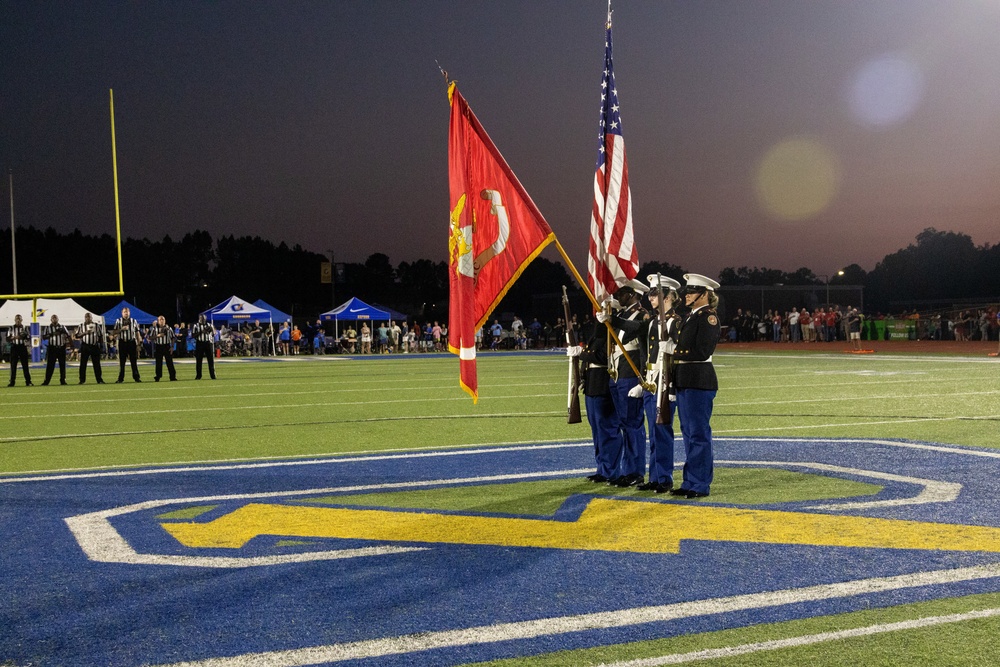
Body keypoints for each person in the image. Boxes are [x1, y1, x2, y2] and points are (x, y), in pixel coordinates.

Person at [669, 273, 722, 499]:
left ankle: (700, 484)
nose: (687, 295)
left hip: (699, 380)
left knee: (698, 434)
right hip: (686, 380)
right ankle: (690, 480)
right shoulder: (691, 317)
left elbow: (702, 351)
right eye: (687, 291)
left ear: (705, 294)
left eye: (692, 291)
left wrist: (674, 350)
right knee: (689, 433)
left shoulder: (708, 317)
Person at [596, 279, 649, 487]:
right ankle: (625, 470)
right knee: (624, 424)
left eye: (623, 293)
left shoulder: (642, 314)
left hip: (630, 373)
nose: (618, 296)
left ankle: (634, 471)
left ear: (634, 294)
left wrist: (612, 319)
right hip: (617, 373)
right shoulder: (622, 314)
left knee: (633, 424)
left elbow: (635, 329)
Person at [636, 275, 681, 494]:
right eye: (651, 294)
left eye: (655, 294)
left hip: (664, 382)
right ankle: (654, 475)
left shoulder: (675, 321)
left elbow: (679, 352)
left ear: (669, 297)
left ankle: (665, 477)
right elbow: (648, 352)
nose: (651, 298)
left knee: (662, 430)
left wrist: (671, 347)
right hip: (652, 381)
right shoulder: (653, 321)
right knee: (653, 432)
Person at [567, 314, 622, 484]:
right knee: (597, 431)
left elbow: (604, 357)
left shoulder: (613, 331)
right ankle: (602, 468)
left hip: (603, 384)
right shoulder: (598, 334)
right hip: (592, 383)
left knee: (607, 429)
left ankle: (611, 470)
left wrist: (582, 353)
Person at [113, 306, 142, 383]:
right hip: (122, 342)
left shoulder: (134, 321)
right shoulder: (118, 321)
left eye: (127, 312)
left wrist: (138, 344)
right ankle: (120, 378)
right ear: (122, 313)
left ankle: (136, 377)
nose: (126, 313)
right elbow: (114, 332)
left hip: (131, 342)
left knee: (133, 361)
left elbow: (137, 333)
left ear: (129, 312)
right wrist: (122, 329)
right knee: (122, 362)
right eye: (124, 312)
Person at [41, 314, 72, 385]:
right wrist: (53, 334)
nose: (54, 319)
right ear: (51, 320)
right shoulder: (47, 328)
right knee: (50, 365)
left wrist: (71, 345)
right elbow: (44, 337)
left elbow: (68, 336)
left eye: (55, 318)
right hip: (52, 348)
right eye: (53, 318)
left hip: (61, 348)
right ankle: (47, 381)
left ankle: (63, 380)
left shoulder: (63, 327)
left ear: (58, 319)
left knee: (62, 365)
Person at [75, 312, 105, 384]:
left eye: (89, 317)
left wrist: (101, 346)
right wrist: (84, 333)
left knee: (97, 364)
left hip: (94, 346)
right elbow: (77, 336)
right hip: (85, 346)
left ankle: (99, 379)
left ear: (92, 318)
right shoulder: (81, 326)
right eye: (86, 317)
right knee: (83, 364)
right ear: (84, 318)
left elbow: (100, 336)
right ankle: (82, 380)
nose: (88, 318)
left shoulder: (97, 325)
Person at [7, 313, 33, 387]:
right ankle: (12, 382)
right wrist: (15, 337)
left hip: (22, 347)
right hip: (14, 347)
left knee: (25, 365)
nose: (18, 320)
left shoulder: (25, 327)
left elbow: (28, 337)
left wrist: (23, 336)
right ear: (15, 320)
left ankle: (28, 381)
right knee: (13, 365)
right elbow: (8, 338)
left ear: (21, 320)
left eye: (19, 319)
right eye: (17, 319)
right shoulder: (11, 328)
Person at [150, 315, 178, 382]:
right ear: (158, 321)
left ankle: (172, 376)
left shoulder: (169, 328)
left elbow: (173, 338)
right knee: (158, 362)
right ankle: (158, 376)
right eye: (160, 320)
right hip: (158, 346)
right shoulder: (154, 329)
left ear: (165, 321)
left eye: (163, 319)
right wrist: (157, 336)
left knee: (169, 362)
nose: (162, 321)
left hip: (166, 346)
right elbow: (150, 337)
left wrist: (172, 347)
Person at [191, 314, 217, 380]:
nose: (202, 319)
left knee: (211, 360)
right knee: (199, 360)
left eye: (203, 318)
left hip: (208, 343)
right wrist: (201, 332)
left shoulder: (209, 325)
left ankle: (213, 375)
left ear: (205, 318)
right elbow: (193, 335)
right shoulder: (196, 325)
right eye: (201, 318)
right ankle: (198, 375)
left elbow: (214, 334)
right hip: (200, 343)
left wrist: (212, 330)